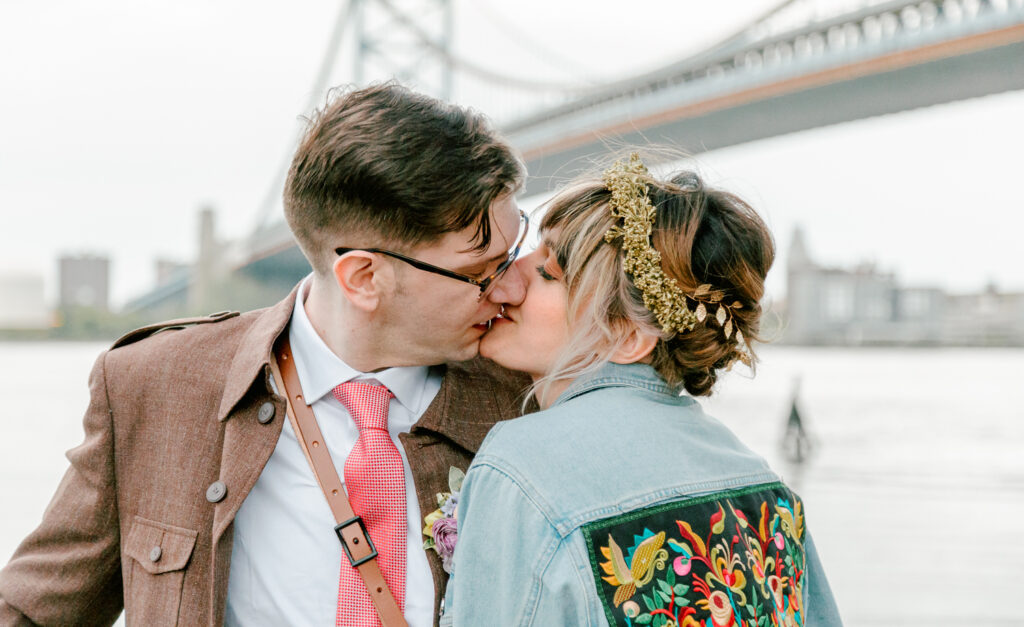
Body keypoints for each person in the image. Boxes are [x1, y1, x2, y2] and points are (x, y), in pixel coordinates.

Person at [0, 83, 532, 627]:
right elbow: (31, 614)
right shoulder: (151, 387)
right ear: (364, 278)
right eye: (480, 272)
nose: (514, 288)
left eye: (514, 253)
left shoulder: (534, 398)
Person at [445, 154, 842, 626]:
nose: (507, 280)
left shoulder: (521, 468)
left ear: (628, 336)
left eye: (549, 273)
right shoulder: (767, 490)